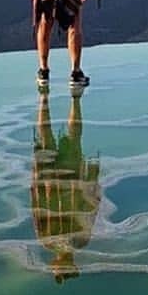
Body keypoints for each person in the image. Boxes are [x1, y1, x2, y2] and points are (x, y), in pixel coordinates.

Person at [30, 92, 102, 283]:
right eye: (64, 271)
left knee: (48, 139)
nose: (60, 268)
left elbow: (37, 209)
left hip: (50, 184)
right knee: (71, 138)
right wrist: (92, 180)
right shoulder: (80, 242)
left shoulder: (47, 243)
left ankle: (46, 99)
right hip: (69, 184)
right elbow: (90, 209)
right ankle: (71, 99)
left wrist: (36, 180)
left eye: (59, 271)